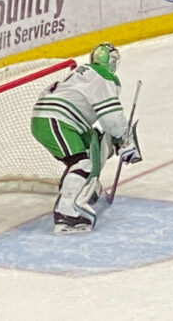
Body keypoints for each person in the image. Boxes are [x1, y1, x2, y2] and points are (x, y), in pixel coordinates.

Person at [30, 43, 142, 233]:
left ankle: (84, 188)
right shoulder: (104, 76)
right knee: (82, 163)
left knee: (94, 145)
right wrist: (125, 138)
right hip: (57, 119)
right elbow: (112, 119)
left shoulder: (85, 74)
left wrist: (118, 140)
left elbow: (108, 128)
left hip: (54, 118)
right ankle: (67, 213)